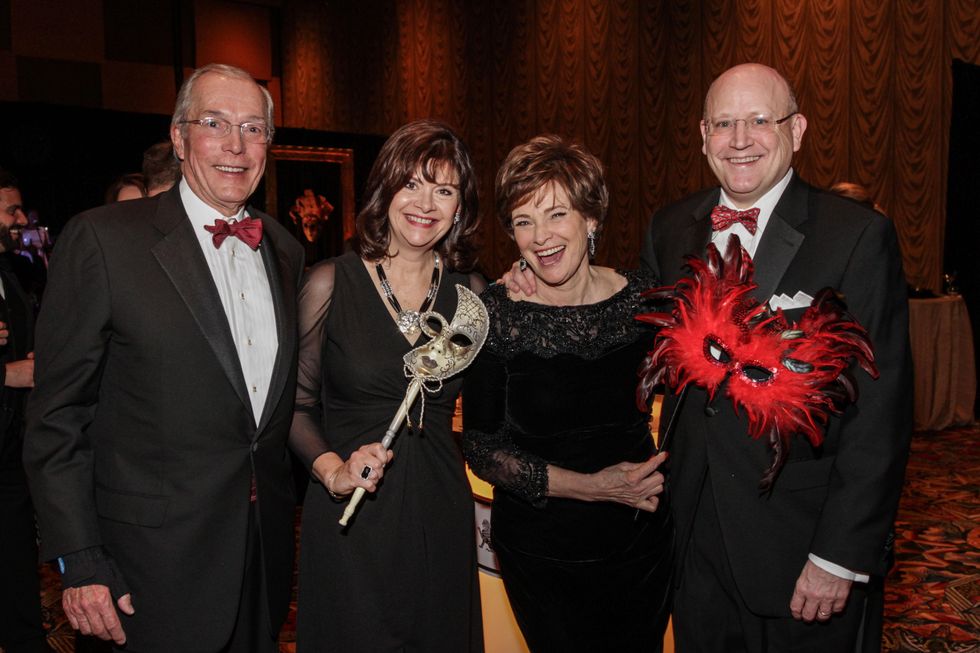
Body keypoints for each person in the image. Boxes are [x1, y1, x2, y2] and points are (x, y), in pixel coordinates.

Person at [23, 63, 304, 653]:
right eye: (215, 123)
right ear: (178, 138)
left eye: (254, 128)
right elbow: (57, 416)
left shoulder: (283, 248)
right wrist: (79, 559)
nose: (235, 144)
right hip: (142, 569)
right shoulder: (104, 240)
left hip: (261, 557)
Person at [641, 63, 911, 652]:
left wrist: (840, 554)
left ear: (798, 129)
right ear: (703, 134)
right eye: (725, 123)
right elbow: (637, 343)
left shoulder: (857, 236)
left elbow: (881, 415)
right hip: (693, 540)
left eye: (760, 120)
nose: (740, 140)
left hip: (800, 544)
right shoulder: (669, 228)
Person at [463, 135, 672, 652]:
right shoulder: (500, 314)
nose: (540, 237)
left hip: (640, 541)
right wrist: (594, 487)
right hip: (544, 550)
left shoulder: (644, 300)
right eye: (523, 221)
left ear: (591, 218)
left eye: (556, 214)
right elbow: (482, 449)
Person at [289, 119, 485, 652]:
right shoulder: (330, 282)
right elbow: (295, 408)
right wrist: (335, 472)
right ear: (385, 190)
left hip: (439, 509)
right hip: (353, 510)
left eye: (444, 190)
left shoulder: (473, 294)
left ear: (459, 206)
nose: (426, 203)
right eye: (412, 183)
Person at [0, 171, 53, 653]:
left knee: (18, 573)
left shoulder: (12, 275)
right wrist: (7, 373)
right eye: (11, 211)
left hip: (12, 450)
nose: (21, 220)